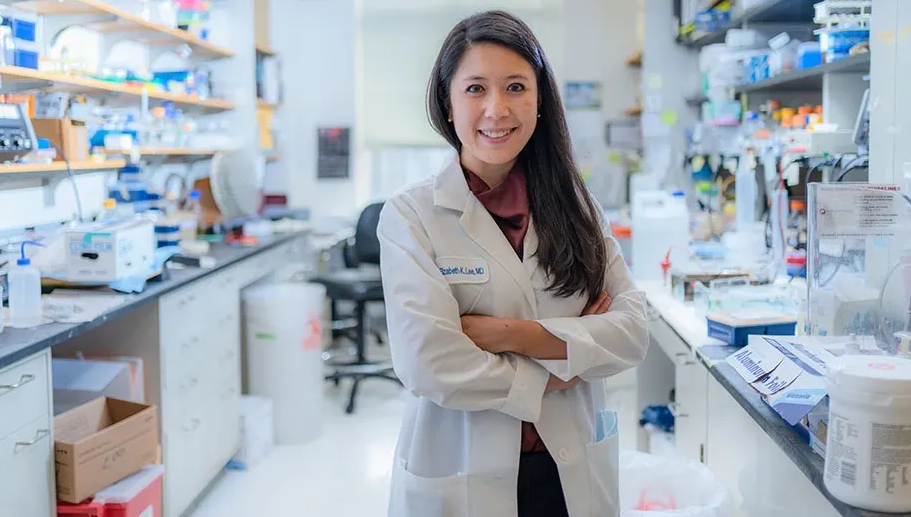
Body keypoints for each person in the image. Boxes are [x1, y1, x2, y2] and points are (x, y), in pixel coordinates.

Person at [377, 10, 648, 517]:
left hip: (570, 466)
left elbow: (632, 331)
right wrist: (559, 369)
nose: (496, 109)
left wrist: (508, 334)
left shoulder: (578, 208)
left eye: (516, 87)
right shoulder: (412, 215)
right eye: (475, 89)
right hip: (462, 470)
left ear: (540, 100)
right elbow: (429, 363)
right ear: (448, 103)